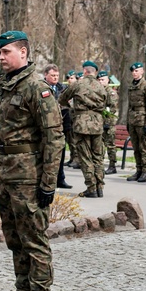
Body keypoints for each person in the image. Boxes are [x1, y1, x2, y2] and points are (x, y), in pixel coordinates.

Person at [0, 30, 64, 291]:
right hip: (6, 174)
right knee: (14, 238)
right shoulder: (4, 85)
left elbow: (54, 138)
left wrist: (48, 183)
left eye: (5, 52)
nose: (1, 57)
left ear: (23, 52)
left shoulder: (36, 88)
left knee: (34, 239)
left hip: (29, 177)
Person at [60, 60, 108, 198]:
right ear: (95, 72)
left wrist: (73, 106)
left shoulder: (78, 84)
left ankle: (91, 187)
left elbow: (62, 98)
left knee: (85, 156)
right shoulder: (101, 86)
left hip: (82, 124)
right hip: (97, 123)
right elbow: (106, 102)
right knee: (98, 157)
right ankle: (100, 187)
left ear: (85, 71)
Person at [44, 64, 72, 188]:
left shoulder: (63, 88)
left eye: (57, 75)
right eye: (52, 75)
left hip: (61, 125)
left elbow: (69, 103)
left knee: (60, 153)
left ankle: (60, 179)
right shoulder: (41, 87)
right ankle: (47, 180)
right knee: (47, 155)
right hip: (46, 126)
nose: (55, 78)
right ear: (46, 75)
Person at [126, 62, 146, 183]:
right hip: (132, 119)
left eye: (136, 71)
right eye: (133, 71)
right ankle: (138, 170)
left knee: (143, 147)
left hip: (142, 120)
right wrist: (128, 121)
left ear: (142, 71)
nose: (134, 73)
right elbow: (129, 105)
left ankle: (145, 171)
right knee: (136, 147)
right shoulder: (131, 86)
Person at [99, 71, 119, 175]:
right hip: (99, 123)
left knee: (110, 145)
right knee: (99, 145)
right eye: (99, 80)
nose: (100, 81)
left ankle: (112, 165)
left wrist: (107, 122)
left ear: (107, 80)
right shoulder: (98, 92)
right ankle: (99, 165)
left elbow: (112, 109)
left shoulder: (111, 93)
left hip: (109, 123)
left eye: (102, 79)